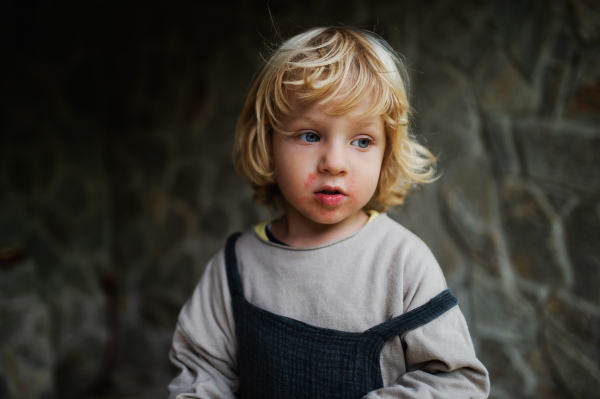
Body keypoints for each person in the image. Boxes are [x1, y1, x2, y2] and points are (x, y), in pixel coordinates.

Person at [168, 26, 490, 398]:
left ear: (386, 154)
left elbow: (456, 382)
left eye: (362, 141)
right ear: (268, 141)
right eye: (310, 135)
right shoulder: (235, 267)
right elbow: (201, 372)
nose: (335, 163)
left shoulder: (402, 263)